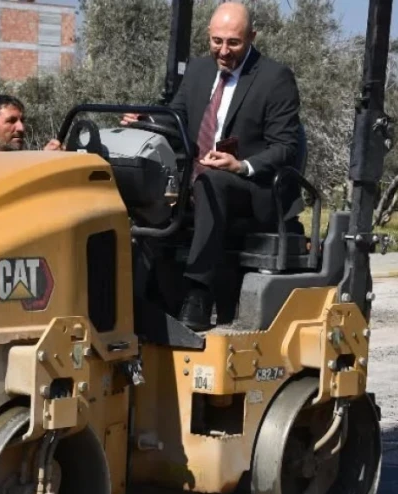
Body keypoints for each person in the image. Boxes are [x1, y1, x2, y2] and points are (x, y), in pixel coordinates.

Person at [121, 1, 303, 331]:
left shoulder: (275, 78)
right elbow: (177, 120)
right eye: (217, 41)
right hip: (198, 176)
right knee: (139, 179)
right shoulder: (199, 71)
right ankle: (134, 288)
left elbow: (286, 148)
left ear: (252, 37)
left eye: (233, 42)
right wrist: (146, 120)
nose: (223, 50)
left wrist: (242, 164)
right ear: (208, 36)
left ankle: (198, 292)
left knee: (211, 182)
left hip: (252, 187)